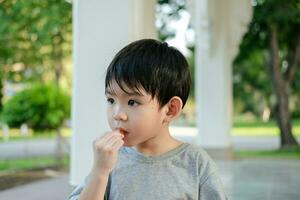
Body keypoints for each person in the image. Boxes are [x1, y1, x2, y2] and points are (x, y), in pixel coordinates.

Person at [67, 39, 228, 200]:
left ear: (170, 109)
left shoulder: (196, 163)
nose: (117, 114)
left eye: (132, 102)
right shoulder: (110, 162)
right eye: (111, 100)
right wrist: (100, 171)